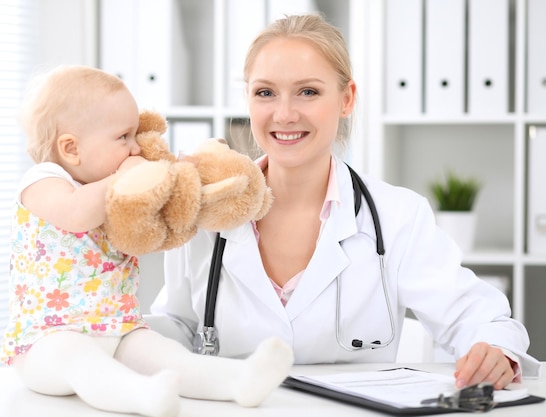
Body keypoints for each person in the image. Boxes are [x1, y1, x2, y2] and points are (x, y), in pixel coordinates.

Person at [148, 14, 541, 391]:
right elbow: (177, 326)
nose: (284, 114)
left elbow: (478, 319)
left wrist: (495, 350)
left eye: (308, 91)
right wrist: (116, 330)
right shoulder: (204, 209)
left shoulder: (398, 216)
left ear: (346, 98)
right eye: (265, 92)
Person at [0, 65, 294, 417]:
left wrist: (176, 178)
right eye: (123, 137)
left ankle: (238, 380)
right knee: (80, 361)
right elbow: (76, 214)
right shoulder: (42, 182)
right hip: (47, 341)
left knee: (167, 356)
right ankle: (141, 397)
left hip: (119, 329)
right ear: (71, 149)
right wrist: (123, 177)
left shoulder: (118, 192)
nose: (136, 146)